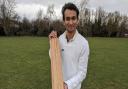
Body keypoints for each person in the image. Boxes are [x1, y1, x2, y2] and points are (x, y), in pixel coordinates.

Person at [49, 2, 89, 89]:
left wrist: (67, 85)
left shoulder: (84, 43)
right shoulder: (59, 40)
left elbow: (82, 73)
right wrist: (52, 43)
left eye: (73, 18)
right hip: (58, 85)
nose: (70, 22)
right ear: (64, 21)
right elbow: (52, 58)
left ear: (77, 20)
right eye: (67, 19)